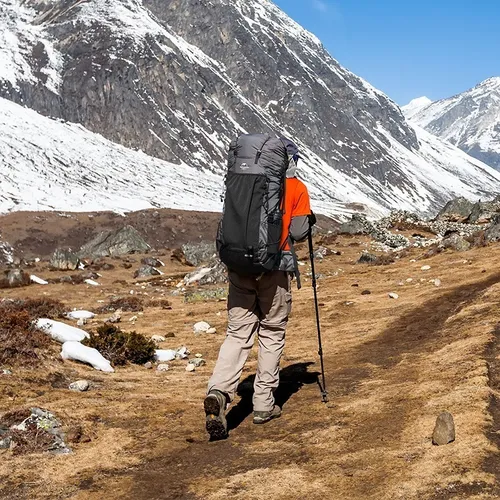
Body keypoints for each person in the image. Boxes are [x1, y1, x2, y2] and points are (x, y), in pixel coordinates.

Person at [204, 138, 314, 440]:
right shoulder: (296, 188)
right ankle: (264, 404)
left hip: (238, 265)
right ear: (288, 162)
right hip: (273, 268)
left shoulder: (243, 182)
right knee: (272, 330)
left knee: (238, 333)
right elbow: (299, 232)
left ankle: (219, 391)